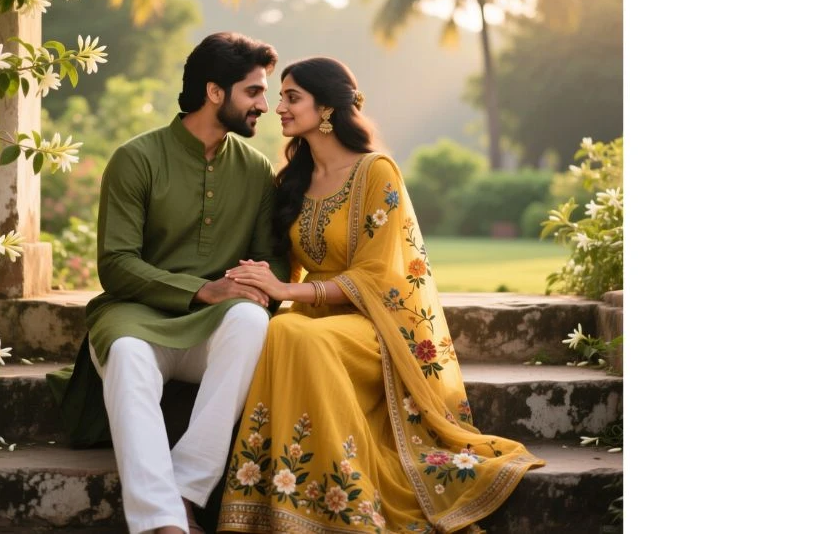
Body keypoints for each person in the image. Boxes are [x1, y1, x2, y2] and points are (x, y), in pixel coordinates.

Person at [215, 57, 545, 533]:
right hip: (312, 324)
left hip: (373, 326)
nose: (278, 108)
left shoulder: (375, 172)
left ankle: (345, 508)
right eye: (280, 97)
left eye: (292, 97)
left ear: (326, 108)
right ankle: (301, 507)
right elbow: (282, 260)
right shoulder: (291, 181)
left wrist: (286, 290)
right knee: (286, 329)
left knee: (295, 333)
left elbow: (377, 275)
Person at [49, 32, 291, 534]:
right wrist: (203, 289)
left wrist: (254, 283)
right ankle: (164, 522)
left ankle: (184, 490)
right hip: (134, 317)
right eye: (253, 92)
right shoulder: (136, 159)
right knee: (128, 354)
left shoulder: (255, 170)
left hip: (212, 328)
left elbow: (272, 261)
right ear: (214, 92)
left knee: (251, 319)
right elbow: (116, 264)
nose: (264, 106)